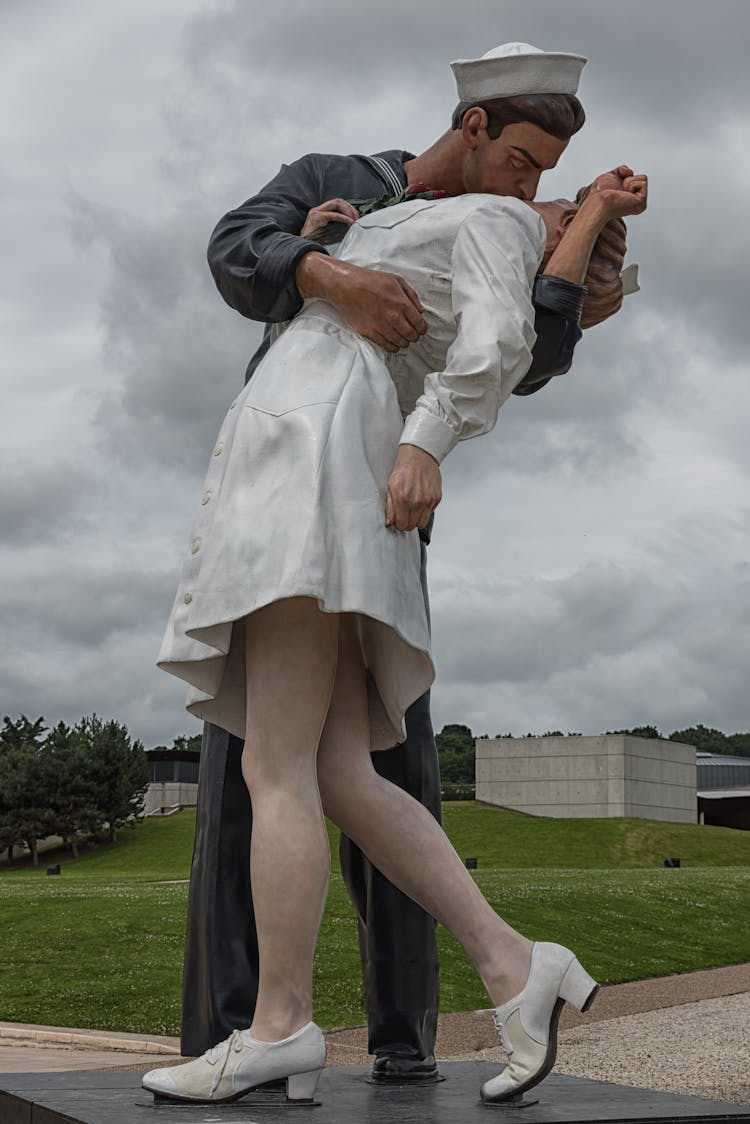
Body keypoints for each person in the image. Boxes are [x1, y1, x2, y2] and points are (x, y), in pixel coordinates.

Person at [144, 159, 648, 1107]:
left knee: (276, 765)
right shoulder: (403, 210)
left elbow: (513, 339)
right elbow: (248, 244)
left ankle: (281, 1024)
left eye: (552, 190)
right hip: (329, 464)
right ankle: (515, 966)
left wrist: (427, 442)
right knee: (336, 771)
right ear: (474, 129)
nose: (536, 187)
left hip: (312, 471)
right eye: (531, 171)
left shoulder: (494, 221)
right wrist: (329, 241)